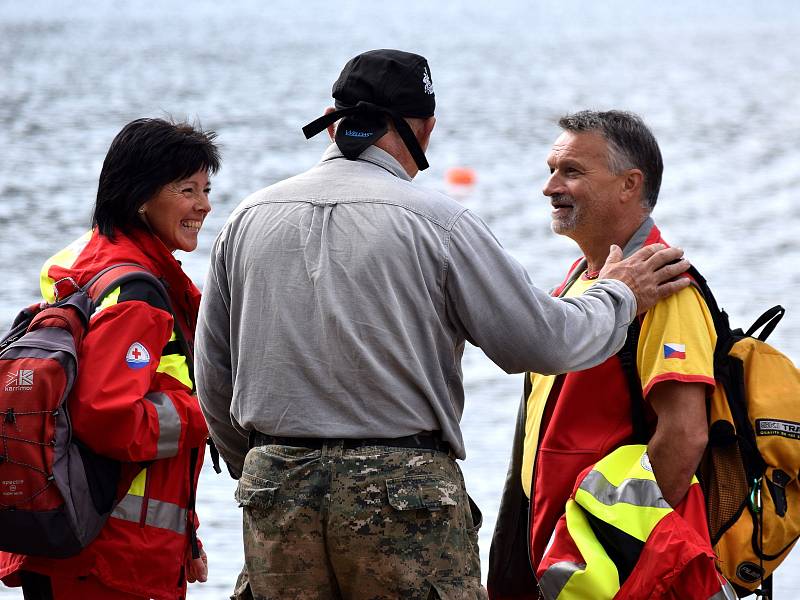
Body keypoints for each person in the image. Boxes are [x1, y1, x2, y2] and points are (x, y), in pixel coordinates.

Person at [195, 51, 689, 600]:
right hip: (400, 487)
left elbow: (212, 374)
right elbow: (545, 341)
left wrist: (263, 464)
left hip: (274, 482)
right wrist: (620, 295)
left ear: (331, 123)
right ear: (424, 129)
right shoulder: (439, 223)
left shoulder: (246, 219)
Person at [488, 111, 725, 599]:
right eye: (551, 170)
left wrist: (611, 555)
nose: (550, 187)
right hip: (560, 565)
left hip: (606, 578)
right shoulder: (580, 281)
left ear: (628, 184)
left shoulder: (668, 290)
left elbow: (684, 436)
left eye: (571, 171)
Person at [0, 118, 219, 600]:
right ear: (140, 197)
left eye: (206, 188)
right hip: (114, 563)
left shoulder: (84, 267)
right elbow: (109, 419)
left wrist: (188, 534)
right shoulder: (136, 293)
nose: (204, 205)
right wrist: (213, 414)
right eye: (187, 189)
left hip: (74, 543)